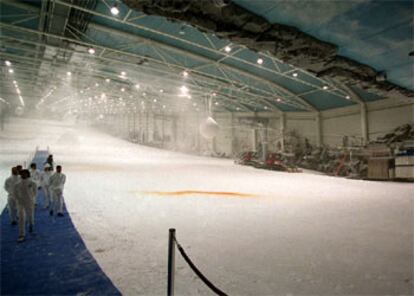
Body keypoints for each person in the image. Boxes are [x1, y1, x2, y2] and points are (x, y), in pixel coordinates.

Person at [14, 169, 37, 242]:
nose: (24, 175)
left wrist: (31, 198)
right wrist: (18, 199)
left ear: (27, 174)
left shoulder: (32, 183)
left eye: (25, 174)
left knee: (30, 215)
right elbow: (15, 193)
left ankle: (31, 224)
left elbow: (35, 192)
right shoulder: (17, 184)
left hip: (29, 202)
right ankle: (21, 234)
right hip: (20, 203)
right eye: (22, 174)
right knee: (21, 218)